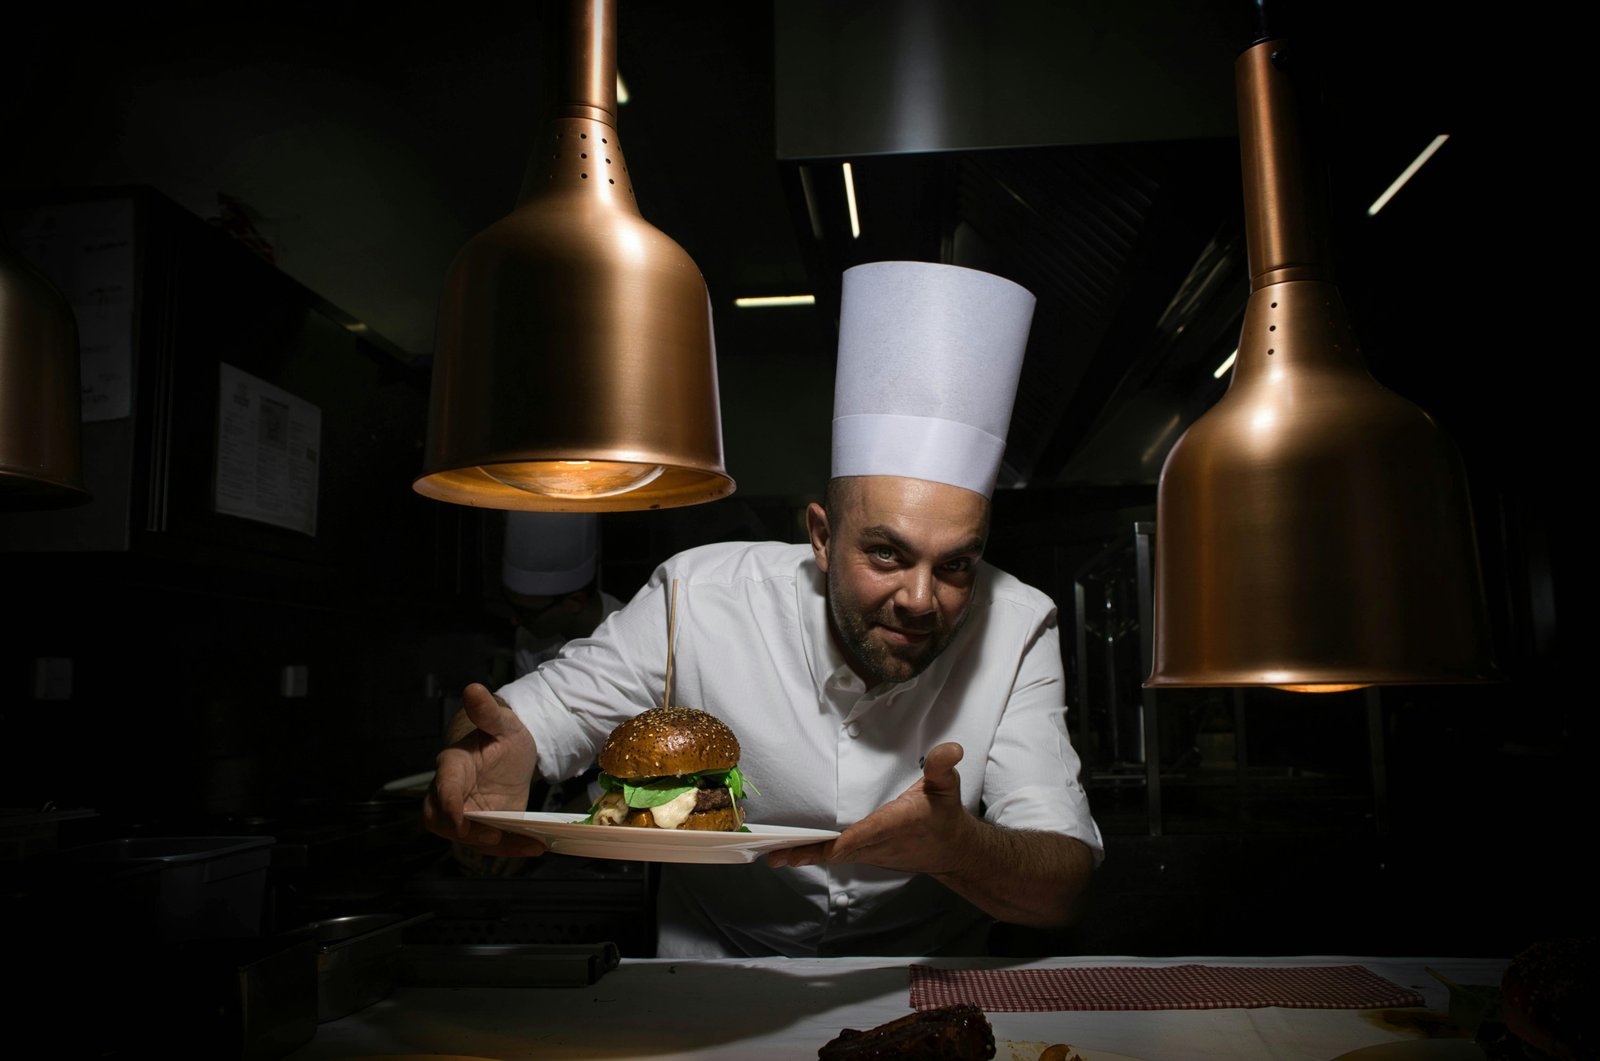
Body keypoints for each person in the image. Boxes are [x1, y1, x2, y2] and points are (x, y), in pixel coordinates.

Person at [426, 260, 1104, 957]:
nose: (922, 600)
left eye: (957, 563)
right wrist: (484, 751)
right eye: (887, 554)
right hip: (712, 984)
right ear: (821, 536)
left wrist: (959, 848)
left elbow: (1065, 884)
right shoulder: (698, 597)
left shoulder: (1020, 623)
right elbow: (534, 720)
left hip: (920, 987)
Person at [499, 511, 624, 679]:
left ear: (575, 602)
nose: (514, 620)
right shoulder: (528, 638)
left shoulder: (625, 639)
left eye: (525, 612)